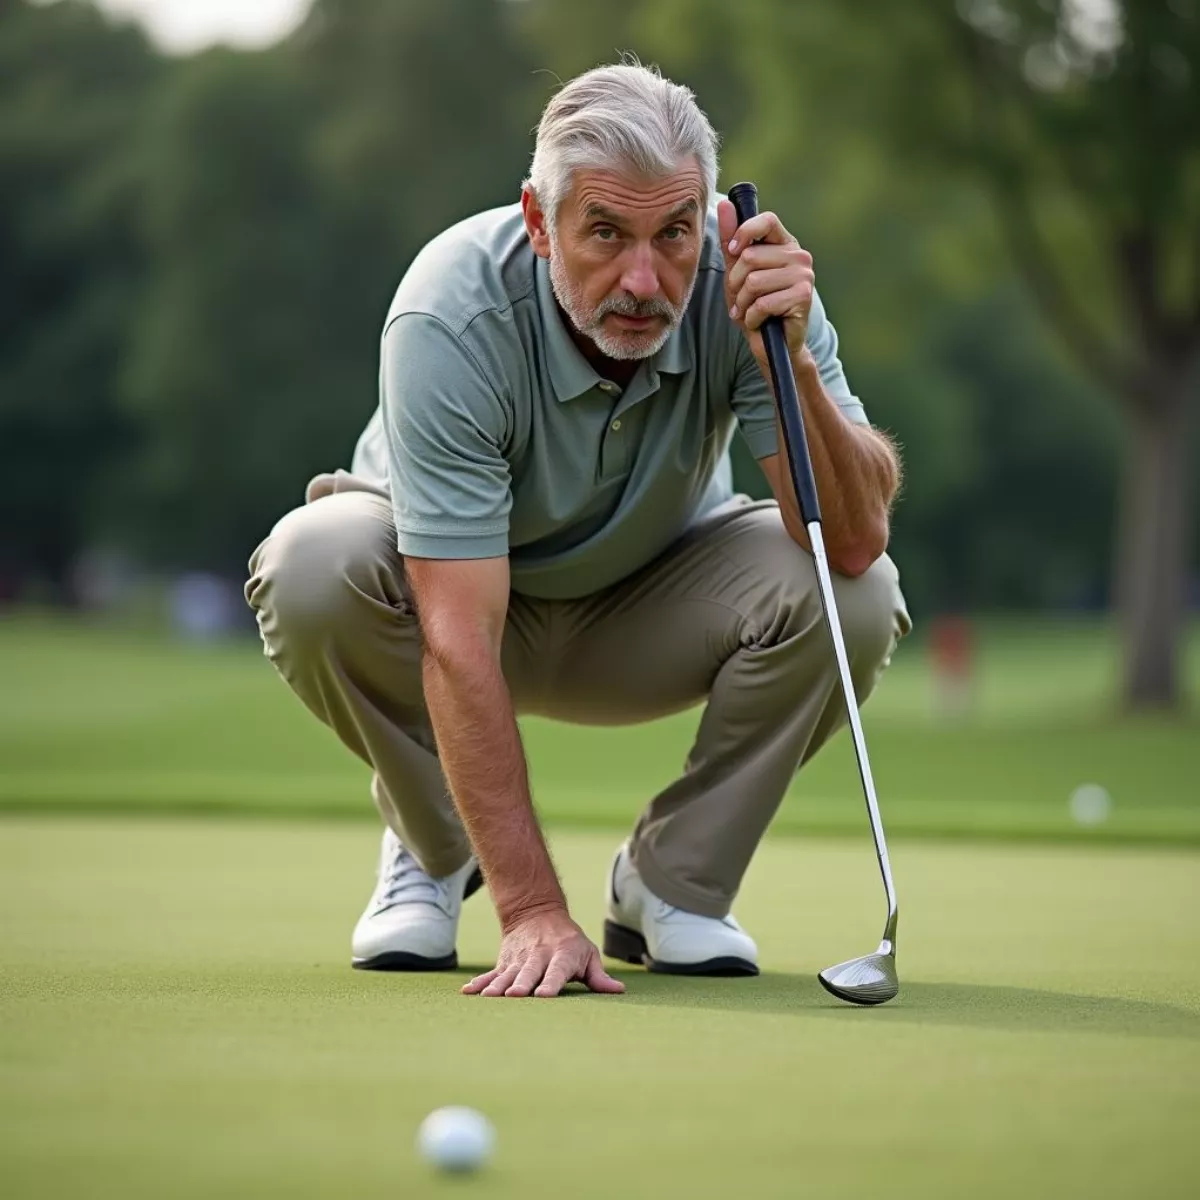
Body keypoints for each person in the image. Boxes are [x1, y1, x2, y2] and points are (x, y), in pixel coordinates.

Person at [245, 60, 911, 1000]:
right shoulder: (452, 308)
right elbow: (455, 632)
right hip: (457, 608)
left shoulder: (748, 286)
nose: (644, 278)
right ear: (537, 221)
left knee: (859, 594)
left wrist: (791, 359)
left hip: (652, 602)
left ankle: (671, 883)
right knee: (312, 564)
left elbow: (851, 540)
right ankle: (436, 846)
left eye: (673, 234)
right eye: (605, 233)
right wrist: (531, 909)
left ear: (709, 218)